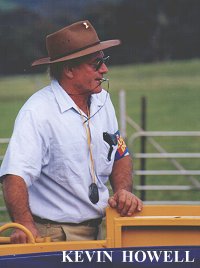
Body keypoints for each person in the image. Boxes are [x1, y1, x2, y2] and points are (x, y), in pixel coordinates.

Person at [0, 20, 142, 243]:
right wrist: (26, 225)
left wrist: (123, 191)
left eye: (104, 61)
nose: (105, 69)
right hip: (54, 235)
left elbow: (119, 153)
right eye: (96, 64)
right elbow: (14, 176)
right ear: (69, 70)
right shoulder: (37, 112)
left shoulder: (103, 100)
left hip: (100, 229)